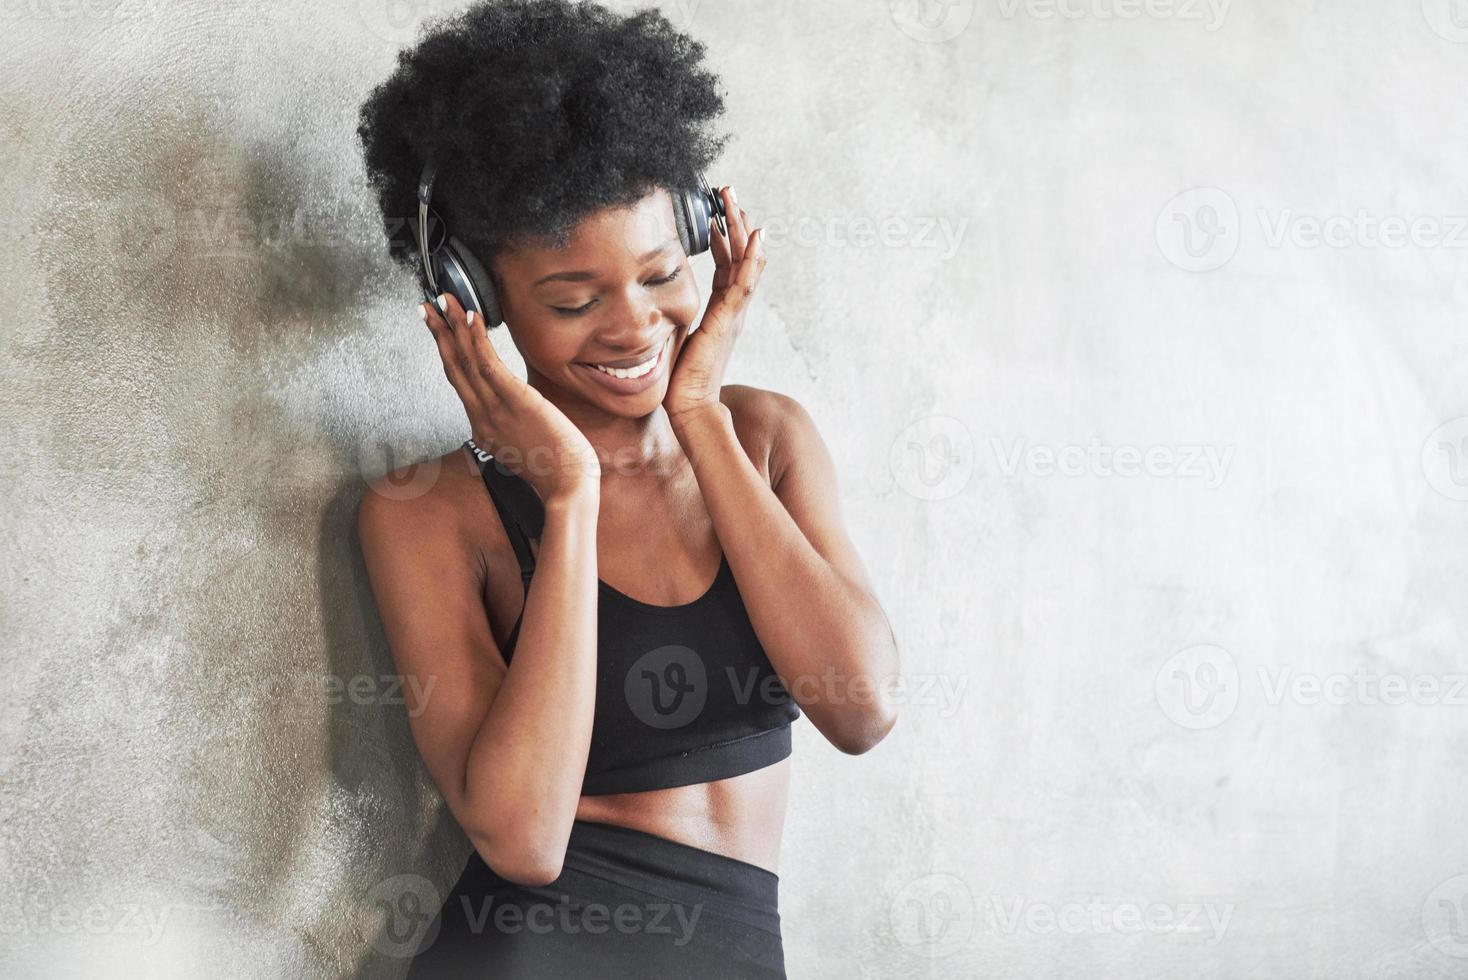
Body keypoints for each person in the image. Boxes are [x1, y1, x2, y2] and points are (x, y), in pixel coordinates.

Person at [354, 1, 899, 975]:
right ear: (475, 300)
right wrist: (566, 501)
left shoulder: (766, 437)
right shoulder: (428, 511)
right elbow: (521, 839)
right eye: (572, 300)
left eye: (657, 274)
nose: (634, 324)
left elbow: (859, 706)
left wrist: (699, 417)